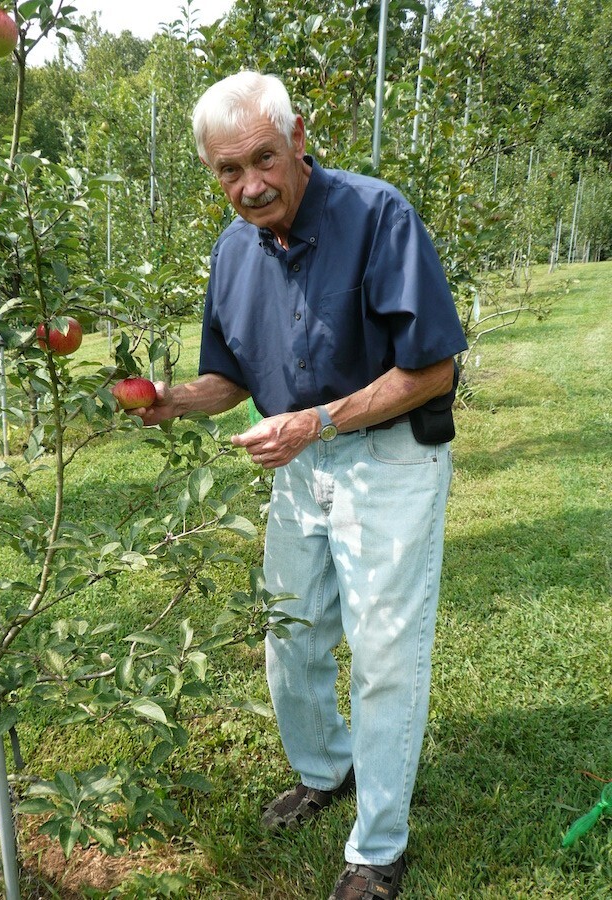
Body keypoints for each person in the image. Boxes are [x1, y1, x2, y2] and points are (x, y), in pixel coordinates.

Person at [132, 71, 468, 900]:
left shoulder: (376, 215)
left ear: (299, 138)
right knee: (291, 636)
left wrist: (314, 423)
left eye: (263, 159)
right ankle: (327, 769)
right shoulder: (231, 251)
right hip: (298, 467)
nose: (250, 185)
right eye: (227, 170)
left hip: (389, 457)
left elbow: (432, 369)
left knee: (385, 655)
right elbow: (231, 377)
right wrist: (174, 401)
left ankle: (378, 848)